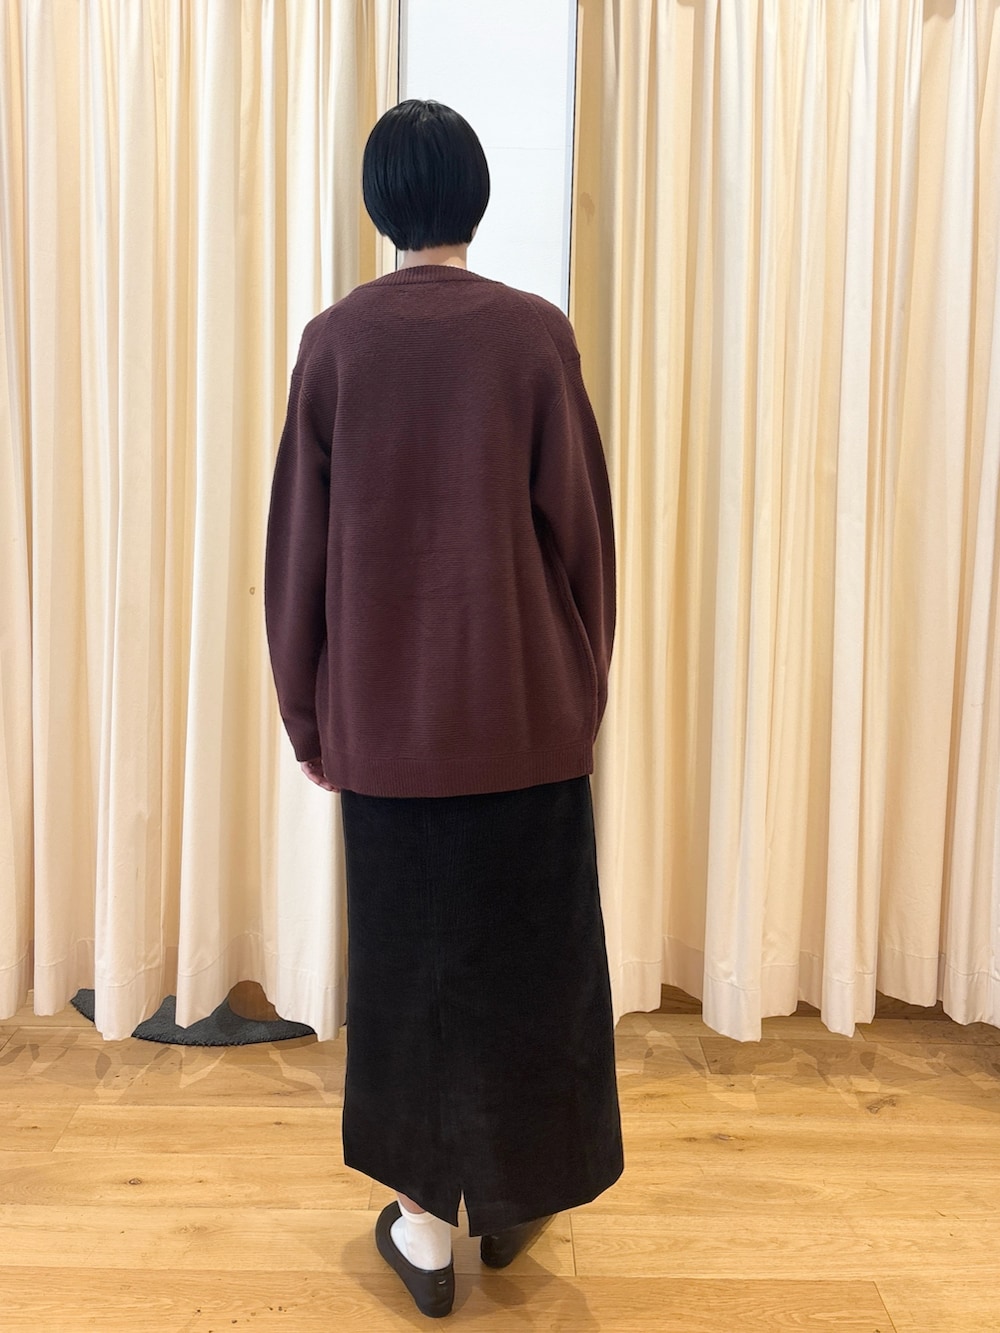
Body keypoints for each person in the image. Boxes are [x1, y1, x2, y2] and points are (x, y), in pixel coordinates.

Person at [264, 98, 623, 1320]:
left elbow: (298, 554)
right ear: (474, 194)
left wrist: (310, 713)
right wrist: (579, 686)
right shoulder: (533, 335)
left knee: (408, 979)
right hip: (524, 720)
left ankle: (422, 1230)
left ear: (381, 204)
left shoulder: (335, 344)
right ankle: (515, 1199)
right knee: (532, 970)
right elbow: (581, 538)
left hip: (387, 733)